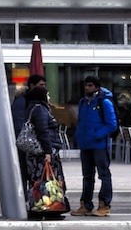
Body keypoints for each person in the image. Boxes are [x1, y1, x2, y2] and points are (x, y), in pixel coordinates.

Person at [19, 81, 69, 220]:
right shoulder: (40, 109)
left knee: (39, 179)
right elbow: (43, 132)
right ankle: (49, 208)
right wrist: (48, 152)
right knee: (47, 180)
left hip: (37, 152)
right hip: (42, 152)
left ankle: (40, 207)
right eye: (47, 95)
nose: (49, 97)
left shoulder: (32, 108)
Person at [73, 76, 117, 218]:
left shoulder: (104, 102)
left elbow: (112, 124)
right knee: (87, 176)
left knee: (103, 174)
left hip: (98, 145)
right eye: (86, 85)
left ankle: (104, 205)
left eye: (90, 85)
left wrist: (96, 135)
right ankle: (86, 204)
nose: (87, 88)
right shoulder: (83, 102)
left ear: (97, 87)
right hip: (86, 144)